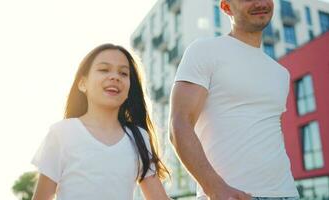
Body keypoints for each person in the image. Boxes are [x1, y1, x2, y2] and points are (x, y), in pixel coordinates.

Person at [169, 0, 299, 200]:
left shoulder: (281, 73)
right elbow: (179, 124)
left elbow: (273, 135)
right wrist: (215, 189)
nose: (260, 3)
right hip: (230, 195)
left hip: (287, 193)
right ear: (226, 7)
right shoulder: (204, 50)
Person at [31, 43, 170, 200]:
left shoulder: (139, 138)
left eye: (123, 73)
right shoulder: (62, 133)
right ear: (83, 84)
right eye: (104, 70)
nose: (115, 77)